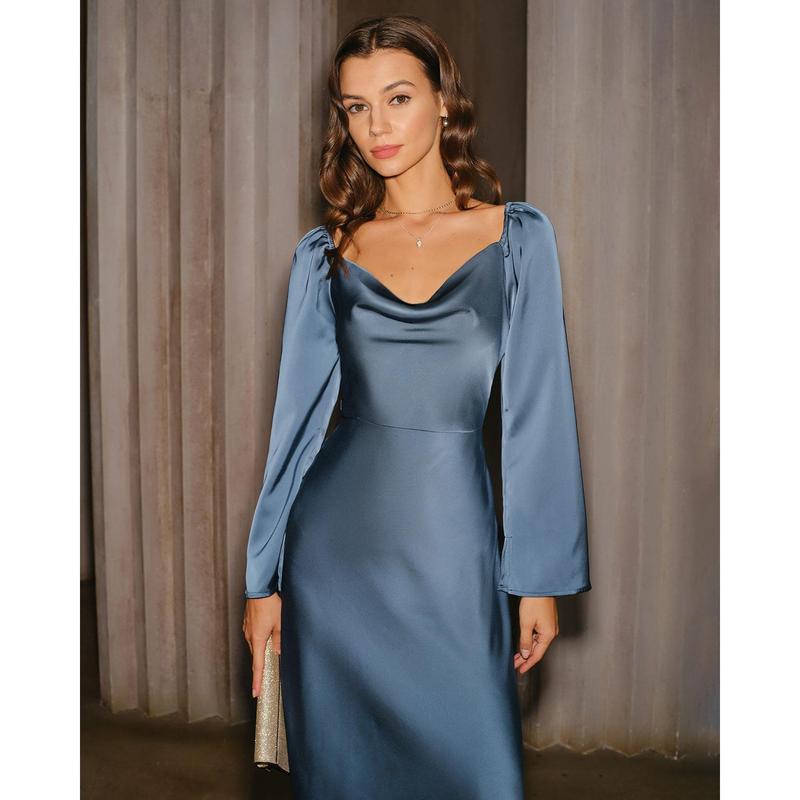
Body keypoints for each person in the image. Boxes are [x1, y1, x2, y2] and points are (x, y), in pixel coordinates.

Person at [242, 14, 591, 800]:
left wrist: (538, 576)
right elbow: (295, 428)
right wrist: (262, 582)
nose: (377, 126)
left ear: (442, 100)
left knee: (478, 771)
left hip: (453, 551)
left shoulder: (517, 239)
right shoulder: (326, 255)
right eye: (356, 107)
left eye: (397, 97)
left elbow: (539, 413)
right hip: (335, 558)